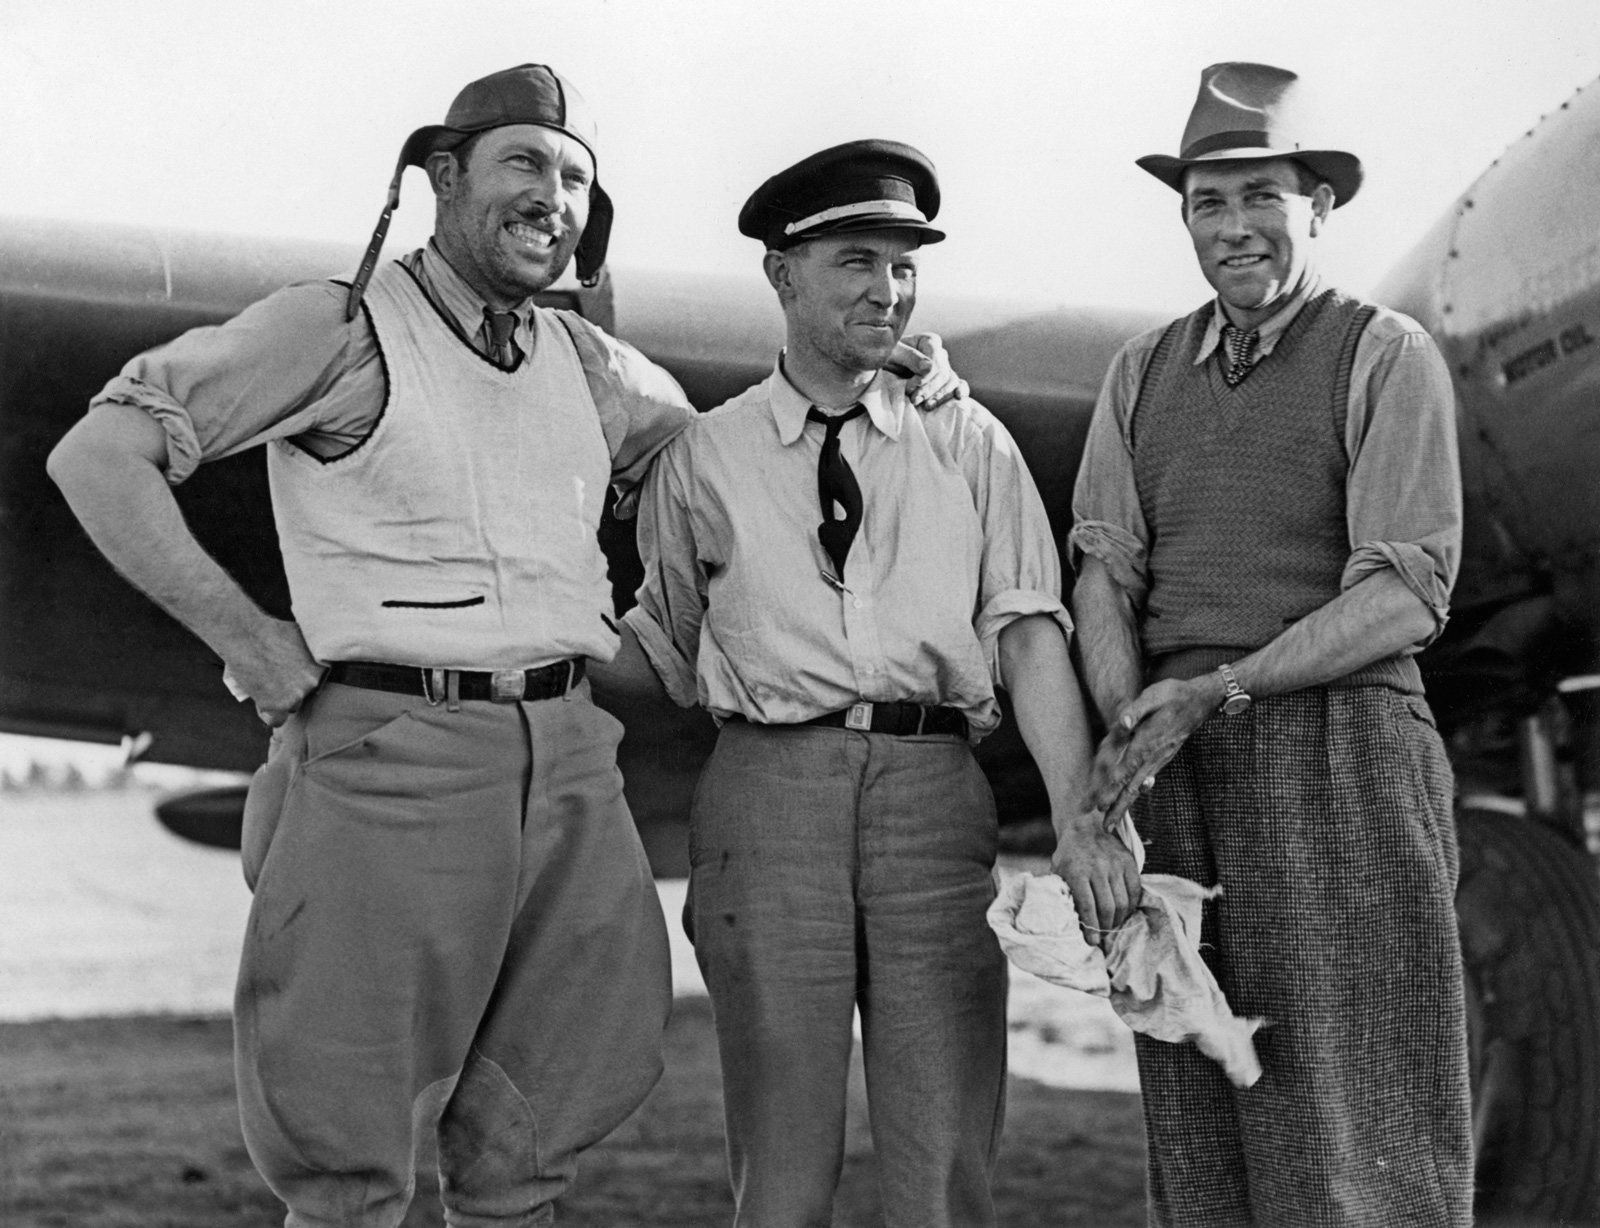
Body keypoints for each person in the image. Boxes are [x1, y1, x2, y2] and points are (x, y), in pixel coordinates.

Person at [45, 66, 957, 1227]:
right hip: (391, 757)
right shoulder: (337, 324)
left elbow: (744, 454)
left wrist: (892, 369)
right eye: (524, 163)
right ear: (440, 178)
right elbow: (100, 455)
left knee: (535, 1128)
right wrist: (253, 639)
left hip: (571, 759)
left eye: (575, 176)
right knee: (345, 1149)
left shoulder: (588, 364)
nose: (554, 196)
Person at [600, 139, 1138, 1228]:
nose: (886, 289)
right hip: (766, 796)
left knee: (943, 1162)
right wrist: (506, 619)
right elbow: (664, 652)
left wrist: (1086, 815)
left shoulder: (973, 445)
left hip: (933, 795)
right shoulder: (704, 460)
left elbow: (1030, 636)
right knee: (782, 1166)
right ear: (780, 274)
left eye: (903, 265)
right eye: (854, 260)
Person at [1067, 62, 1473, 1226]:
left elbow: (1405, 593)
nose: (1232, 227)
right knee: (1202, 1119)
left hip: (1343, 755)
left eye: (1260, 197)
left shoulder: (1383, 355)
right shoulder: (1139, 371)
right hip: (1182, 761)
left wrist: (1220, 689)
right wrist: (1130, 727)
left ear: (1318, 207)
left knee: (1357, 1128)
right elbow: (1106, 567)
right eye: (1206, 201)